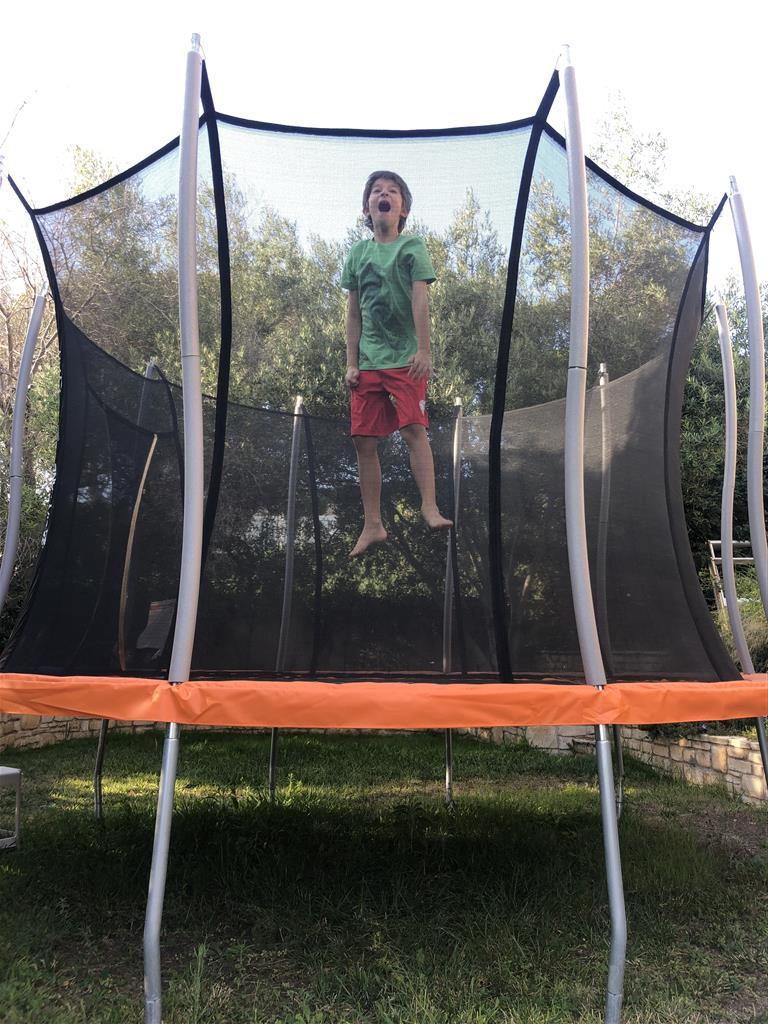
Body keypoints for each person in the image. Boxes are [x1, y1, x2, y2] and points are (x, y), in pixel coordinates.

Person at [341, 170, 452, 558]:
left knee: (413, 429)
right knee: (362, 440)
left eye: (392, 191)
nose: (383, 195)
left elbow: (421, 300)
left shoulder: (411, 246)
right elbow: (353, 313)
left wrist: (424, 351)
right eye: (376, 191)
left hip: (406, 358)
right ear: (367, 208)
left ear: (402, 209)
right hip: (369, 360)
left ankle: (429, 506)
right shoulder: (358, 253)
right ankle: (373, 524)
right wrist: (351, 362)